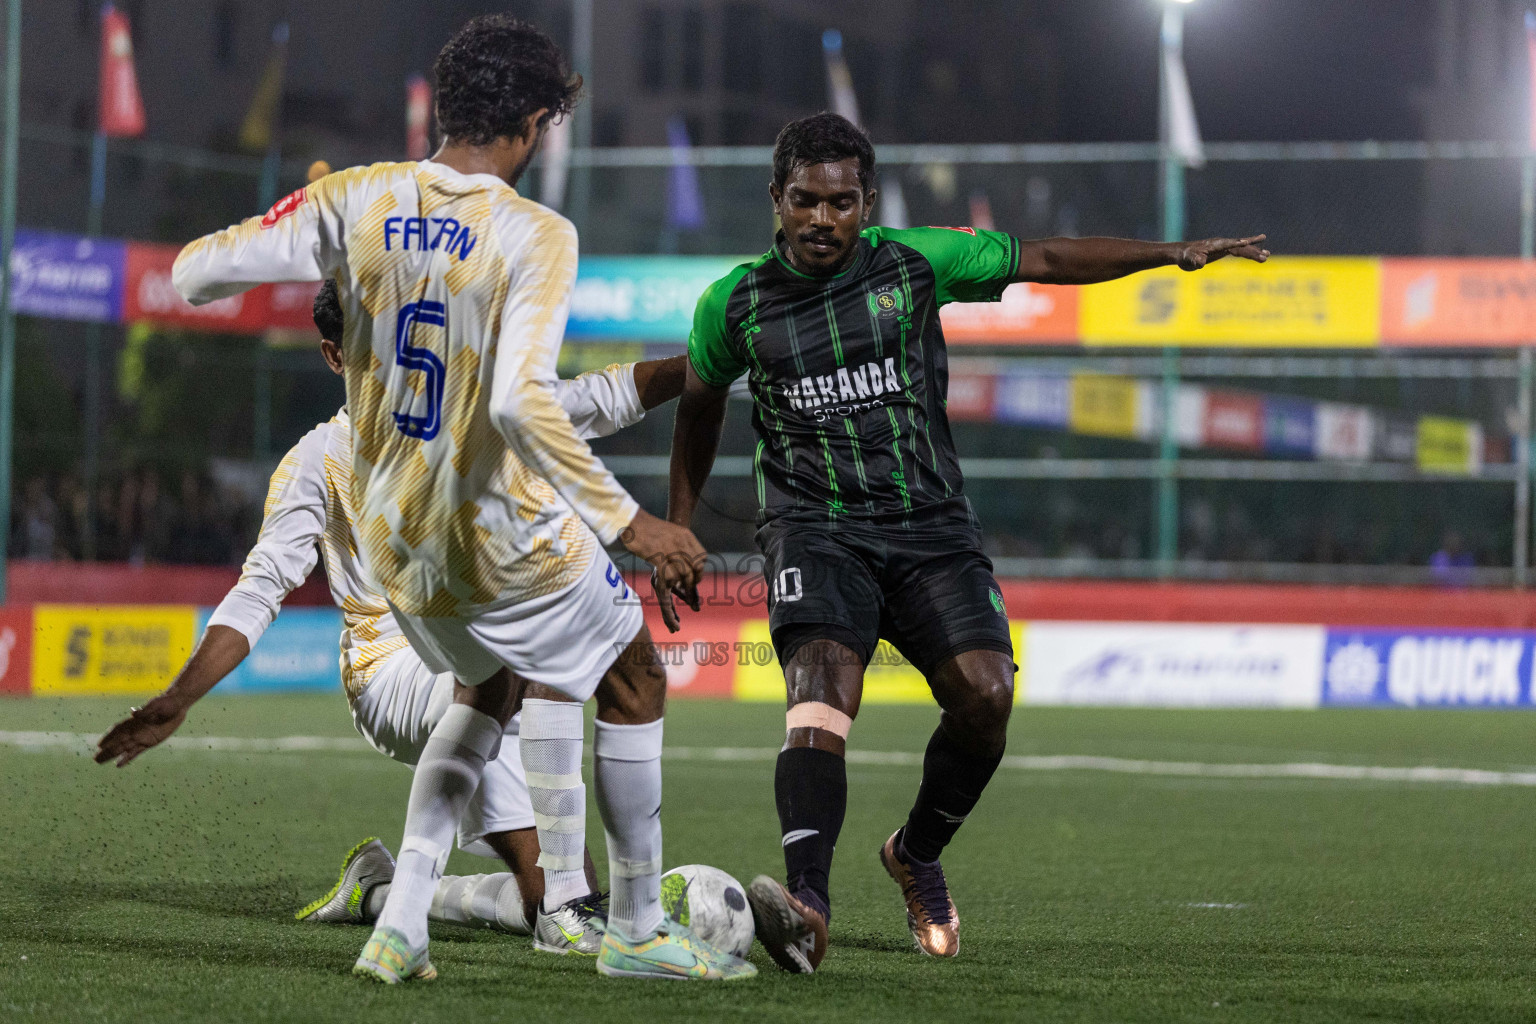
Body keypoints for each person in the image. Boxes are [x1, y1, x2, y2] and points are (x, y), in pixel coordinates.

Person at [169, 15, 748, 982]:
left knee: (488, 692)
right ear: (531, 122)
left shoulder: (354, 201)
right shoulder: (532, 232)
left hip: (405, 562)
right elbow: (528, 400)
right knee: (633, 676)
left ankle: (403, 920)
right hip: (487, 548)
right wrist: (634, 522)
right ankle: (626, 927)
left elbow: (197, 271)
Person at [661, 111, 1269, 973]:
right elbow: (698, 402)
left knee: (986, 701)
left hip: (930, 527)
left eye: (841, 202)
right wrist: (679, 522)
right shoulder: (734, 303)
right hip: (813, 528)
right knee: (820, 695)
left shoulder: (917, 263)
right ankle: (807, 904)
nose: (823, 219)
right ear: (777, 200)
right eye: (806, 201)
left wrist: (1170, 253)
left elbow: (1048, 259)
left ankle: (914, 853)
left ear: (866, 202)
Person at [96, 279, 690, 953]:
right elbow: (259, 589)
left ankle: (383, 892)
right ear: (333, 355)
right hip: (391, 675)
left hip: (488, 669)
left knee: (546, 895)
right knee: (537, 649)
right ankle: (562, 907)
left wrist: (701, 365)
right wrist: (181, 697)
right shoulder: (318, 460)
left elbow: (595, 398)